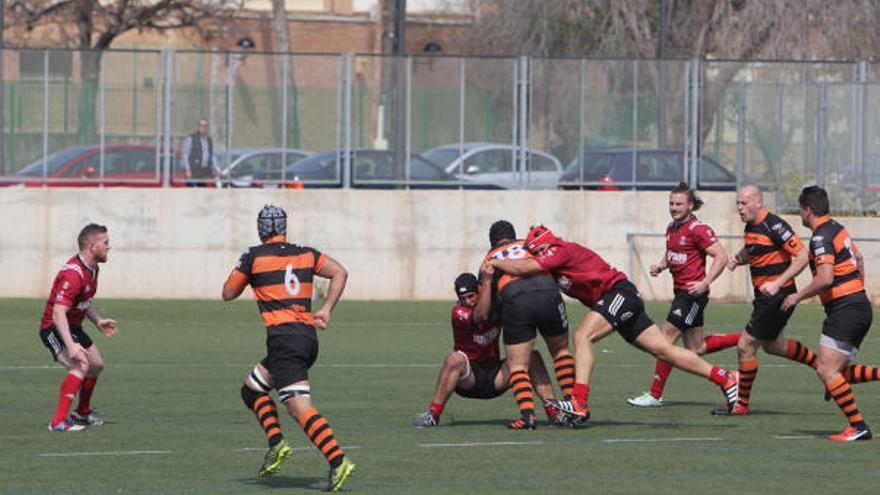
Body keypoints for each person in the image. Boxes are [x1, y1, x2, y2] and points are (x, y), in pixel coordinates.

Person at [490, 225, 740, 425]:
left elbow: (523, 268)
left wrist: (495, 263)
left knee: (582, 336)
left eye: (537, 251)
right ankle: (725, 378)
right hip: (621, 297)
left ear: (544, 245)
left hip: (618, 293)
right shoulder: (554, 256)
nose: (537, 257)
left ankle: (579, 401)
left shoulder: (559, 249)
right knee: (665, 351)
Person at [222, 204, 355, 491]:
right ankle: (277, 443)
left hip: (284, 341)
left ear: (260, 229)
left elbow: (228, 293)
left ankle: (338, 460)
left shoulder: (254, 257)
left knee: (299, 409)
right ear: (283, 228)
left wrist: (244, 267)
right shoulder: (306, 254)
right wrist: (327, 309)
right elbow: (340, 273)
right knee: (251, 388)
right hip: (306, 337)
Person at [781, 186, 880, 441]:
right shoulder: (837, 227)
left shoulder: (820, 236)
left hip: (846, 308)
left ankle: (858, 427)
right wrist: (858, 291)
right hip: (858, 305)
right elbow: (857, 259)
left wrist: (796, 296)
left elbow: (825, 279)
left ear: (807, 210)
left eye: (800, 210)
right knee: (837, 372)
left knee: (826, 370)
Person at [628, 183, 740, 407]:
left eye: (679, 204)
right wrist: (660, 266)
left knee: (664, 341)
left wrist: (705, 282)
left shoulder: (698, 229)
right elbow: (673, 254)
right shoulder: (672, 227)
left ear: (690, 206)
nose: (674, 207)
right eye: (671, 203)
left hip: (692, 295)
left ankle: (655, 394)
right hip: (680, 292)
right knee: (696, 348)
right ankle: (746, 337)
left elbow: (721, 255)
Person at [718, 184, 820, 416]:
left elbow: (802, 256)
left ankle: (741, 404)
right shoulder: (751, 226)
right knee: (775, 345)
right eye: (738, 203)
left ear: (758, 202)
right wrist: (737, 258)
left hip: (778, 296)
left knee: (745, 345)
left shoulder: (774, 225)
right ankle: (820, 365)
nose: (740, 208)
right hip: (765, 298)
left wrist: (776, 283)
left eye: (744, 203)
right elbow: (752, 250)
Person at [414, 272, 564, 427]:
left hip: (495, 376)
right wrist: (486, 281)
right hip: (469, 378)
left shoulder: (496, 306)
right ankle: (433, 414)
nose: (467, 301)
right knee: (454, 359)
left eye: (471, 296)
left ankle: (554, 413)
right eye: (463, 298)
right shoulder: (458, 312)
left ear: (479, 292)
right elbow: (481, 315)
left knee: (531, 356)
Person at [482, 220, 575, 429]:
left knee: (518, 365)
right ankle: (572, 406)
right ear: (514, 235)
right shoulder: (529, 244)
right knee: (561, 352)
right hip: (549, 293)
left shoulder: (489, 258)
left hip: (517, 300)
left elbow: (486, 303)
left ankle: (528, 416)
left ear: (492, 242)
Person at [40, 223, 118, 432]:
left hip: (72, 325)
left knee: (97, 365)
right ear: (92, 246)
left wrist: (97, 320)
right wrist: (71, 346)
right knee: (80, 366)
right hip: (53, 328)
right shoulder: (73, 274)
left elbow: (84, 301)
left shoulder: (93, 268)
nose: (109, 247)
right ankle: (58, 422)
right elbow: (58, 313)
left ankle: (81, 412)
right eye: (106, 243)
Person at [181, 118, 219, 187]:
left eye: (204, 126)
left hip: (203, 172)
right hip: (193, 171)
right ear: (198, 126)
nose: (202, 127)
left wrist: (216, 168)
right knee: (192, 193)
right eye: (201, 125)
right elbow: (185, 154)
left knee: (202, 192)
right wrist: (187, 169)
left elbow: (212, 155)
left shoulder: (209, 139)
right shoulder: (191, 138)